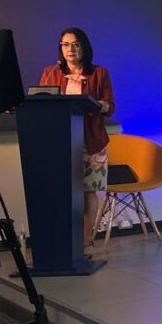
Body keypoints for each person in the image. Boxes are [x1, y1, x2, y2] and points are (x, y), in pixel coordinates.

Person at [38, 28, 115, 259]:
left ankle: (87, 241)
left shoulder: (99, 73)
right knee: (64, 191)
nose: (70, 49)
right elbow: (41, 103)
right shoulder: (50, 73)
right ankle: (64, 240)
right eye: (65, 44)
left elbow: (110, 106)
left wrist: (100, 105)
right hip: (61, 141)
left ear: (84, 47)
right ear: (60, 48)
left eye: (76, 44)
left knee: (88, 191)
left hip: (92, 141)